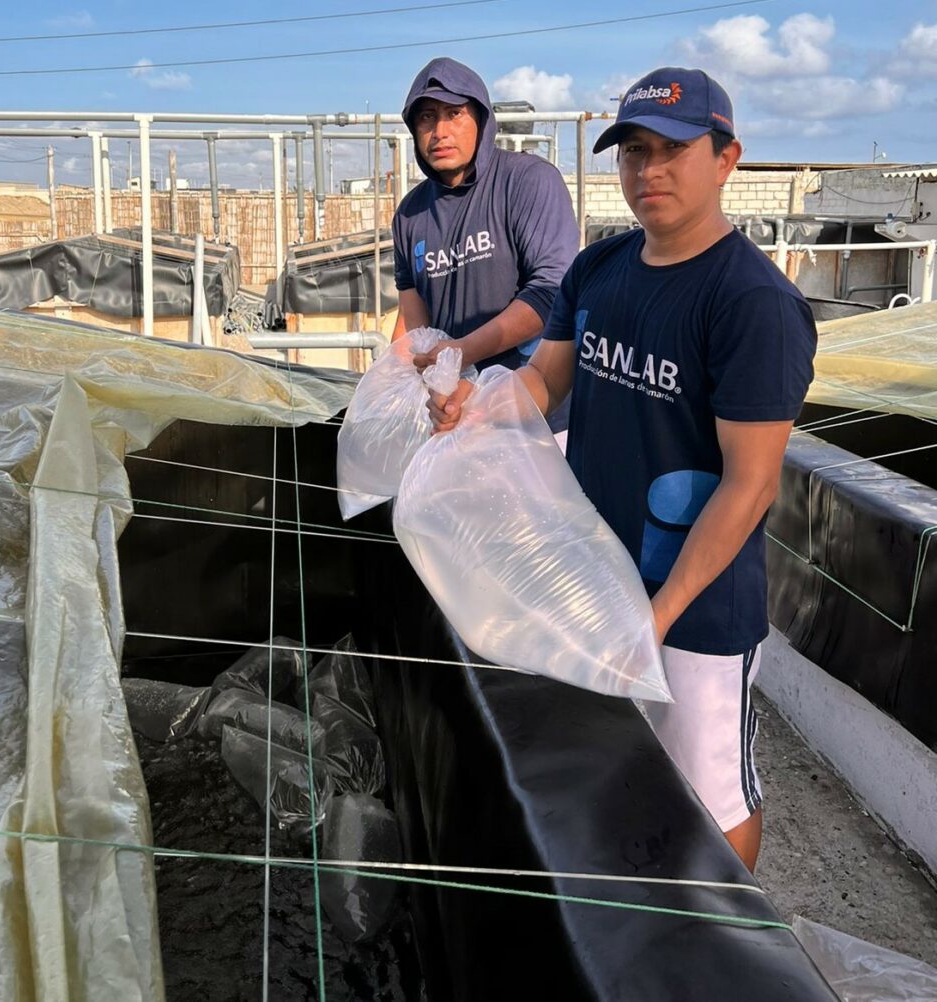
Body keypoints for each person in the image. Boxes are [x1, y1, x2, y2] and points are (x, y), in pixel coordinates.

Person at [430, 67, 817, 872]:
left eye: (674, 150)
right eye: (634, 151)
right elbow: (545, 379)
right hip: (597, 576)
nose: (650, 171)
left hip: (697, 610)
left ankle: (726, 949)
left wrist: (663, 612)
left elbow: (750, 486)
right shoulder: (600, 271)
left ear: (726, 158)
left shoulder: (752, 304)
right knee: (621, 765)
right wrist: (480, 403)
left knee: (713, 787)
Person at [391, 56, 580, 372]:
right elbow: (414, 324)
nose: (440, 131)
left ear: (482, 118)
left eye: (455, 114)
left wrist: (461, 353)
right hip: (452, 402)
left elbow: (552, 292)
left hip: (533, 400)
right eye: (427, 117)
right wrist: (398, 380)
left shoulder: (527, 180)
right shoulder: (410, 213)